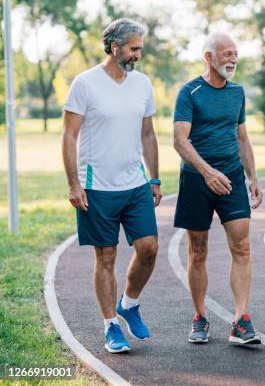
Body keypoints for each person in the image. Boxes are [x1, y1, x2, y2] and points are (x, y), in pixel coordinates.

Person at [61, 18, 162, 354]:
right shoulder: (85, 83)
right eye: (134, 49)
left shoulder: (143, 83)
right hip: (96, 187)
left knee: (149, 248)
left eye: (140, 49)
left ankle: (129, 304)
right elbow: (69, 135)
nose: (138, 55)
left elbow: (148, 134)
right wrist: (74, 184)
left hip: (135, 184)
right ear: (115, 47)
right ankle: (110, 327)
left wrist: (155, 177)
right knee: (106, 257)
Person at [173, 33, 263, 345]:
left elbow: (242, 138)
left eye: (235, 54)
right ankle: (200, 317)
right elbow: (179, 141)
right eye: (226, 54)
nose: (232, 59)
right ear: (209, 57)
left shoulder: (238, 93)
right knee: (198, 251)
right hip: (197, 180)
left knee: (243, 246)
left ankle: (240, 320)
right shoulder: (189, 92)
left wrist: (252, 177)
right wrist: (206, 171)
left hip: (232, 179)